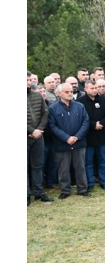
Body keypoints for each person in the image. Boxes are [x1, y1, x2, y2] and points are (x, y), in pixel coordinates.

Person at [48, 83, 92, 199]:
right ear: (59, 93)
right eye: (66, 92)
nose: (70, 94)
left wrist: (77, 137)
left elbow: (85, 122)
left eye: (71, 92)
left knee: (80, 167)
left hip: (79, 143)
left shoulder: (80, 106)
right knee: (63, 168)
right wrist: (66, 138)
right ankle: (65, 190)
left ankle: (82, 188)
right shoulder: (53, 108)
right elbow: (52, 126)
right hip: (62, 144)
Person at [77, 80, 105, 190]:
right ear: (85, 89)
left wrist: (101, 123)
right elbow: (81, 118)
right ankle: (90, 183)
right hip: (89, 136)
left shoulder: (104, 99)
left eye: (95, 88)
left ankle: (104, 182)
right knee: (88, 161)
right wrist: (93, 125)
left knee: (103, 159)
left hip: (103, 134)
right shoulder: (80, 102)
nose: (94, 90)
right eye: (92, 88)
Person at [27, 71, 54, 205]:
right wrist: (32, 130)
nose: (29, 82)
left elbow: (45, 113)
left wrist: (39, 130)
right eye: (26, 80)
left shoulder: (37, 96)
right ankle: (26, 194)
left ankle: (38, 192)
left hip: (38, 137)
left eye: (29, 80)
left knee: (38, 165)